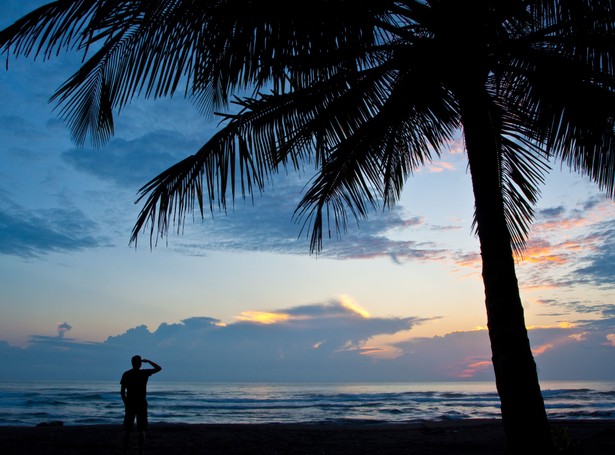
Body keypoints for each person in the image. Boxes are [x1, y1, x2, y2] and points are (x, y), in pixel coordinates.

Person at [120, 355, 162, 452]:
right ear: (140, 363)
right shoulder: (144, 373)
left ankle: (125, 450)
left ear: (132, 363)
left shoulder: (126, 374)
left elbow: (122, 391)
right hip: (141, 403)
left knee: (127, 429)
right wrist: (149, 361)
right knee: (141, 429)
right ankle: (141, 451)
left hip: (130, 403)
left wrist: (125, 402)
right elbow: (159, 368)